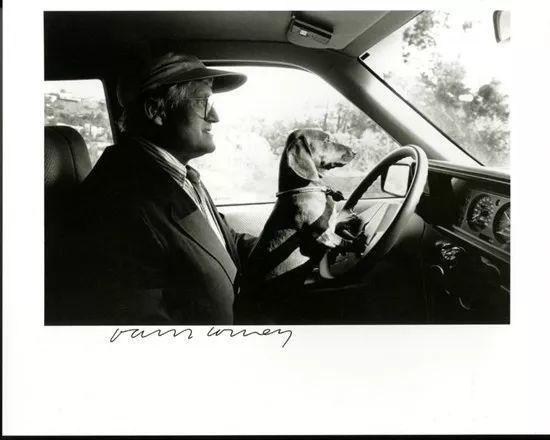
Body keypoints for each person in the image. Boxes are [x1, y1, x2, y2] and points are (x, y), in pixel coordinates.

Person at [60, 52, 258, 324]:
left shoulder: (176, 174)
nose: (215, 116)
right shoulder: (120, 202)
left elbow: (223, 244)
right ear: (157, 111)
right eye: (203, 101)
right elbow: (145, 328)